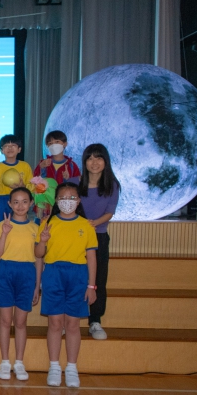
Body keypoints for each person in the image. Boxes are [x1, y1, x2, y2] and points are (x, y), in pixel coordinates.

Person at [35, 183, 97, 388]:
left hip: (78, 275)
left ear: (78, 201)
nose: (67, 202)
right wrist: (43, 241)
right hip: (53, 274)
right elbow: (38, 254)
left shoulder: (86, 226)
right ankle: (54, 366)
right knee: (54, 323)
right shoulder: (48, 223)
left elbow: (91, 257)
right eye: (63, 198)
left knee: (72, 324)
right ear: (56, 200)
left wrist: (91, 286)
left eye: (72, 198)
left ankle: (71, 367)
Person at [0, 187, 42, 381]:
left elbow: (39, 259)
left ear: (31, 203)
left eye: (24, 201)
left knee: (21, 322)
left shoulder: (35, 228)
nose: (20, 206)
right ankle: (5, 361)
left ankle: (19, 362)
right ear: (9, 204)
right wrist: (5, 233)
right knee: (5, 321)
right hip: (5, 272)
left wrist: (37, 285)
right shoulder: (2, 226)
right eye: (16, 202)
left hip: (27, 274)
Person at [76, 144, 120, 341]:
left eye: (99, 158)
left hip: (99, 236)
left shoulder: (112, 185)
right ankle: (70, 320)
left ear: (105, 161)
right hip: (76, 237)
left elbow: (110, 212)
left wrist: (93, 224)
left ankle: (95, 321)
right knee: (75, 277)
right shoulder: (74, 182)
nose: (94, 162)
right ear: (84, 162)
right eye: (90, 158)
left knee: (98, 279)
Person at [0, 135, 34, 233]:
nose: (10, 148)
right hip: (1, 201)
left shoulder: (25, 166)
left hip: (19, 201)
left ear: (19, 149)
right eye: (6, 146)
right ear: (1, 150)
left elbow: (31, 188)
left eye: (13, 145)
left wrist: (22, 187)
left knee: (18, 228)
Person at [33, 130, 81, 218]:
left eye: (57, 142)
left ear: (65, 144)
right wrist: (41, 168)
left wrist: (68, 180)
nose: (53, 145)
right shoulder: (43, 163)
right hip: (46, 206)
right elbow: (34, 182)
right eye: (50, 143)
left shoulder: (72, 165)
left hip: (64, 204)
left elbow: (77, 186)